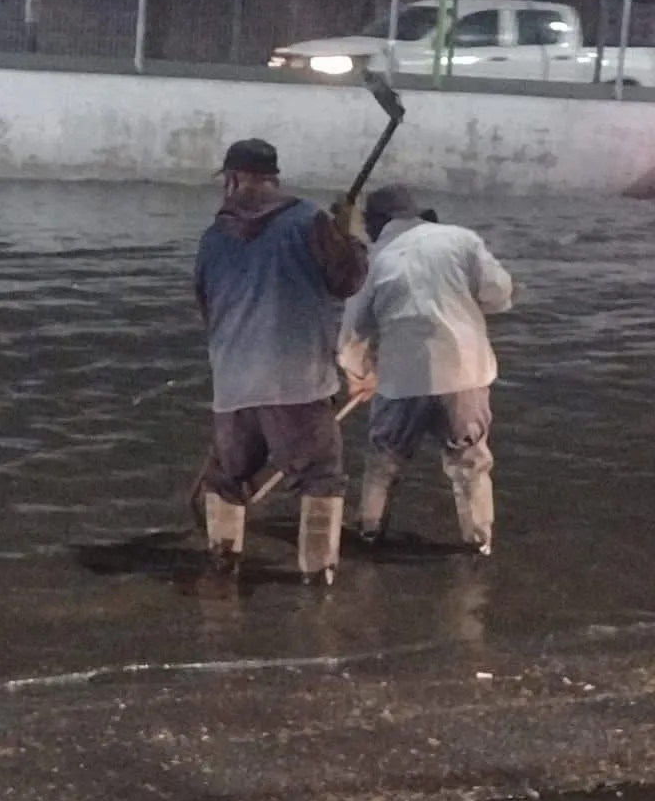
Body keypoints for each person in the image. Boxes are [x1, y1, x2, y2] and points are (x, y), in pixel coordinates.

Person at [195, 138, 368, 583]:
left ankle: (222, 566)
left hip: (233, 385)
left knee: (227, 478)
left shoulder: (213, 236)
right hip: (299, 382)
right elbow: (348, 280)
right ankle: (318, 581)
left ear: (232, 179)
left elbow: (206, 306)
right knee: (320, 477)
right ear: (273, 176)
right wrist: (350, 233)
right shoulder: (311, 221)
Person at [338, 184, 514, 556]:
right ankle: (479, 544)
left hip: (401, 382)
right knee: (470, 463)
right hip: (465, 375)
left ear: (376, 223)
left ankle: (370, 534)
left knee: (384, 462)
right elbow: (499, 294)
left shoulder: (374, 260)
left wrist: (361, 372)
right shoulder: (462, 240)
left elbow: (353, 333)